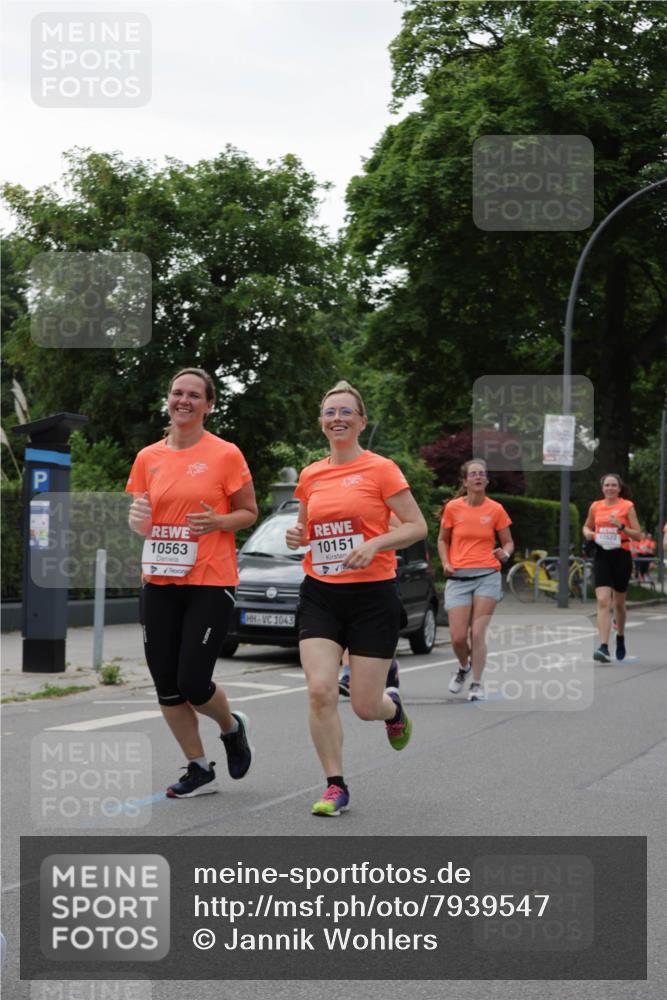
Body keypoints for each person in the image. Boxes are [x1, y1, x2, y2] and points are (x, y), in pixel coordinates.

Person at [285, 380, 427, 817]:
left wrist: (376, 544)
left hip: (372, 596)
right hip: (321, 594)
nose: (338, 419)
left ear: (361, 421)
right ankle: (335, 785)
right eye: (330, 412)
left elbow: (416, 526)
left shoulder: (381, 469)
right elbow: (306, 532)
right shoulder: (310, 475)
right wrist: (297, 536)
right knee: (321, 690)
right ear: (322, 423)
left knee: (366, 706)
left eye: (346, 412)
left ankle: (392, 707)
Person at [127, 367, 258, 797]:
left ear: (209, 404)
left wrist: (219, 521)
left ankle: (231, 726)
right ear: (168, 398)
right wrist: (136, 521)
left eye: (193, 395)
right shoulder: (148, 457)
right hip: (159, 581)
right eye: (176, 392)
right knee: (166, 685)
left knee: (193, 682)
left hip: (209, 580)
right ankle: (198, 768)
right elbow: (143, 518)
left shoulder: (225, 454)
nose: (183, 400)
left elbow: (249, 512)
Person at [437, 459, 514, 702]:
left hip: (487, 576)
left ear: (487, 480)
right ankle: (464, 666)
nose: (478, 477)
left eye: (482, 473)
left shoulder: (496, 509)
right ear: (465, 481)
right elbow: (442, 540)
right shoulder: (452, 508)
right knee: (458, 637)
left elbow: (508, 541)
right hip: (458, 577)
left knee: (478, 632)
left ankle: (477, 684)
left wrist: (506, 553)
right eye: (474, 474)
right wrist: (445, 562)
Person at [582, 473, 641, 662]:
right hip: (602, 555)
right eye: (607, 485)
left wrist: (621, 526)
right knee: (602, 601)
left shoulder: (627, 506)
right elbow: (586, 527)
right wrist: (591, 534)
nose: (610, 488)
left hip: (621, 555)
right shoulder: (595, 506)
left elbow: (638, 535)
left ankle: (621, 635)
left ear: (619, 488)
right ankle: (603, 647)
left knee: (619, 604)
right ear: (602, 488)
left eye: (613, 485)